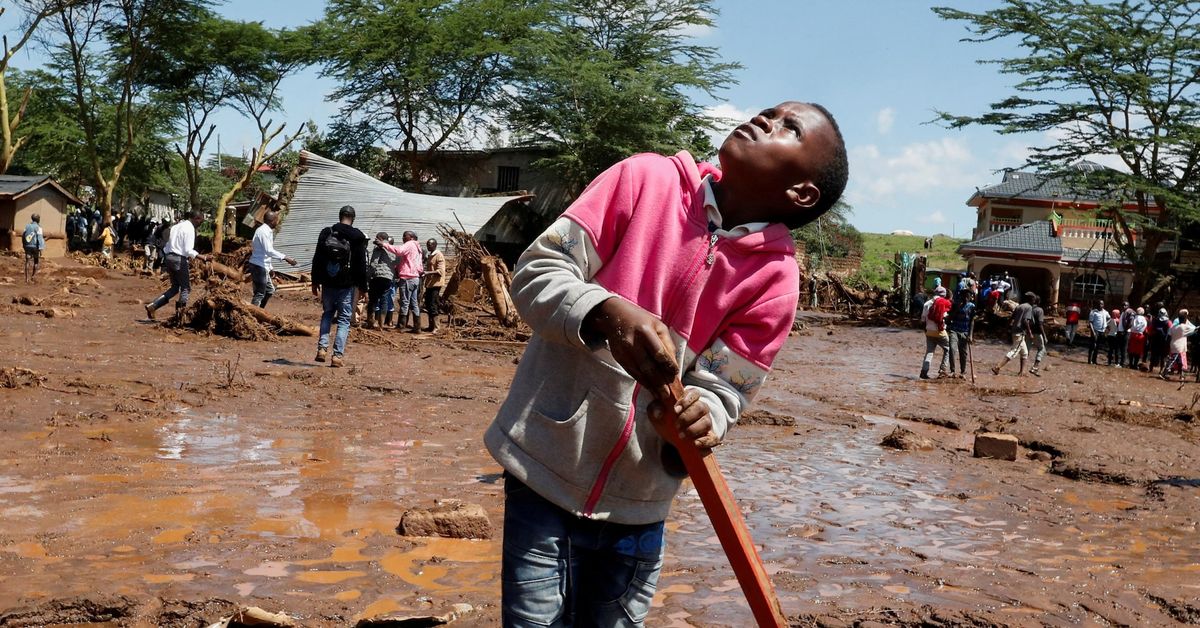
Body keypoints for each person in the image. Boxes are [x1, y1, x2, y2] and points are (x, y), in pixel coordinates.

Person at [483, 101, 848, 626]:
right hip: (544, 471)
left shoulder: (775, 281)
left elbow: (729, 389)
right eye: (769, 111)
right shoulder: (643, 179)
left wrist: (704, 417)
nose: (765, 119)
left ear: (802, 193)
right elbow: (538, 270)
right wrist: (604, 310)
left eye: (788, 128)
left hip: (641, 503)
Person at [311, 205, 369, 367]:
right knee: (344, 319)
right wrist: (363, 288)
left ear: (339, 216)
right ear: (353, 218)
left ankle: (322, 349)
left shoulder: (327, 232)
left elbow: (318, 258)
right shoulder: (357, 237)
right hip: (346, 285)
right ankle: (337, 356)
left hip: (328, 282)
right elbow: (361, 265)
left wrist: (315, 281)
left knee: (327, 313)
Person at [145, 211, 209, 319]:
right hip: (179, 259)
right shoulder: (189, 229)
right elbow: (188, 250)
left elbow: (167, 245)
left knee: (175, 288)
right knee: (186, 288)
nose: (200, 224)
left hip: (169, 257)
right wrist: (204, 257)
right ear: (197, 219)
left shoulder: (176, 226)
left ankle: (154, 306)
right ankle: (180, 316)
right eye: (201, 222)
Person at [248, 210, 297, 309]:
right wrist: (286, 257)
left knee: (269, 290)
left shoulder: (266, 231)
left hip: (262, 266)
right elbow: (268, 251)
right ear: (273, 221)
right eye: (277, 220)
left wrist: (270, 268)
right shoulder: (263, 231)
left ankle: (259, 312)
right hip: (258, 266)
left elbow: (265, 253)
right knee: (259, 294)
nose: (278, 222)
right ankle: (252, 315)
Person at [376, 231, 423, 332]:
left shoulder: (409, 244)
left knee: (405, 302)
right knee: (414, 303)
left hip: (407, 277)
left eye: (404, 236)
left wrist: (384, 244)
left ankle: (401, 326)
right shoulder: (418, 248)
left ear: (411, 237)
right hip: (415, 277)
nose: (403, 238)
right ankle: (417, 327)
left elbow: (399, 251)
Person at [992, 291, 1034, 375]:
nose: (1034, 302)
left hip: (1014, 331)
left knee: (1024, 353)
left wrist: (1006, 329)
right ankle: (997, 367)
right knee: (1014, 351)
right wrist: (1030, 332)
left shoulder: (1019, 306)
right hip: (1020, 332)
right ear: (1031, 299)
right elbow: (1026, 321)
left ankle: (1021, 372)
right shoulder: (1029, 307)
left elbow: (1011, 318)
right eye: (1033, 300)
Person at [365, 232, 397, 329]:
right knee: (384, 300)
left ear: (381, 239)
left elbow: (374, 264)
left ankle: (370, 322)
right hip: (388, 278)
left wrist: (368, 277)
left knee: (373, 300)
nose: (375, 239)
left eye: (377, 237)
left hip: (377, 276)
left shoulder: (378, 248)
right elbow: (397, 262)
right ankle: (381, 324)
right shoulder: (393, 249)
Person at [920, 285, 953, 379]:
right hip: (940, 331)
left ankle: (924, 372)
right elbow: (944, 317)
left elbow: (922, 320)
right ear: (943, 295)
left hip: (929, 331)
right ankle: (942, 370)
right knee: (947, 349)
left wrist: (926, 331)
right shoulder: (942, 303)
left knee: (929, 352)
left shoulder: (926, 304)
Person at [946, 287, 976, 378]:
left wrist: (970, 335)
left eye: (968, 296)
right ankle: (952, 370)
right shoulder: (956, 304)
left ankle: (963, 372)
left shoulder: (972, 306)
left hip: (965, 332)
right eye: (964, 296)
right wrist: (957, 309)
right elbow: (950, 317)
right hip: (954, 329)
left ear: (970, 297)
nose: (966, 298)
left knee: (963, 353)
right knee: (952, 349)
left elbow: (972, 321)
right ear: (961, 296)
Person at [1161, 309, 1196, 380]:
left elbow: (1169, 335)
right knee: (1175, 361)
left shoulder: (1173, 327)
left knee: (1178, 362)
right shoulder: (1184, 327)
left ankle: (1181, 375)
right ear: (1185, 319)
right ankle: (1165, 373)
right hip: (1180, 347)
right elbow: (1194, 329)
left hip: (1173, 345)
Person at [422, 238, 446, 332]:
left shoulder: (439, 255)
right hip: (429, 284)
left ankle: (436, 327)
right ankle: (431, 325)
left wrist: (427, 273)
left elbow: (440, 271)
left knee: (433, 304)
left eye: (430, 245)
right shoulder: (430, 255)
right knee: (428, 304)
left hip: (436, 284)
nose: (428, 246)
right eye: (427, 244)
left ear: (435, 245)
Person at [22, 213, 45, 283]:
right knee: (36, 261)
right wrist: (41, 249)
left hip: (28, 246)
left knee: (27, 261)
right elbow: (40, 238)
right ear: (38, 219)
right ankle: (33, 277)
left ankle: (26, 279)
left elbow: (23, 236)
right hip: (35, 247)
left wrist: (24, 245)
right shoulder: (39, 227)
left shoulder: (27, 226)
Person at [1028, 294, 1047, 376]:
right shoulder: (1039, 310)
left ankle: (1022, 370)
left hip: (1028, 332)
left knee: (1026, 351)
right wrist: (1044, 336)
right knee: (1042, 349)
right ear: (1039, 302)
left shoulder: (1029, 308)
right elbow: (1040, 324)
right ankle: (1034, 367)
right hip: (1036, 333)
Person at [1149, 308, 1172, 372]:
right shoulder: (1168, 322)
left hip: (1156, 340)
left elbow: (1151, 330)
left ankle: (1151, 368)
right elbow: (1170, 332)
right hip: (1163, 341)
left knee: (1154, 355)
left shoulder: (1155, 321)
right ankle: (1161, 370)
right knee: (1163, 356)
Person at [1087, 300, 1109, 365]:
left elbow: (1109, 318)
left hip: (1102, 331)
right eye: (1099, 304)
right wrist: (1093, 332)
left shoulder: (1105, 312)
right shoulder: (1093, 312)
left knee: (1098, 346)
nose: (1100, 305)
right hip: (1095, 330)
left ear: (1103, 305)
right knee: (1093, 345)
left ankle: (1094, 360)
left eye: (1102, 304)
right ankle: (1089, 360)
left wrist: (1105, 324)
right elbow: (1090, 322)